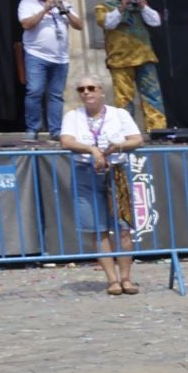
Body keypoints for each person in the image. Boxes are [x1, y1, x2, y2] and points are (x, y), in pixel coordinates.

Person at [57, 76, 144, 293]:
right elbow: (66, 140)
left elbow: (137, 139)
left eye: (90, 88)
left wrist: (119, 146)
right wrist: (92, 149)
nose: (86, 92)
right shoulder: (73, 116)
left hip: (116, 172)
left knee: (123, 228)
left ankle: (126, 278)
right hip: (85, 172)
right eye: (81, 89)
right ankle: (112, 280)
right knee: (98, 229)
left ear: (101, 90)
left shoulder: (118, 114)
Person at [95, 0, 168, 132]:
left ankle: (157, 130)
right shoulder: (103, 7)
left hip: (144, 56)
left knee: (152, 95)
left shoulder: (138, 6)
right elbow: (108, 23)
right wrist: (121, 8)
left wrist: (143, 8)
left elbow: (155, 21)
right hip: (120, 59)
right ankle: (128, 132)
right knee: (124, 99)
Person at [19, 0, 81, 142]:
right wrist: (45, 9)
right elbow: (26, 24)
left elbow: (80, 25)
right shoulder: (27, 3)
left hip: (60, 58)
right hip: (36, 55)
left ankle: (56, 130)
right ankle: (33, 129)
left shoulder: (64, 4)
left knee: (56, 95)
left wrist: (65, 11)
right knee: (35, 91)